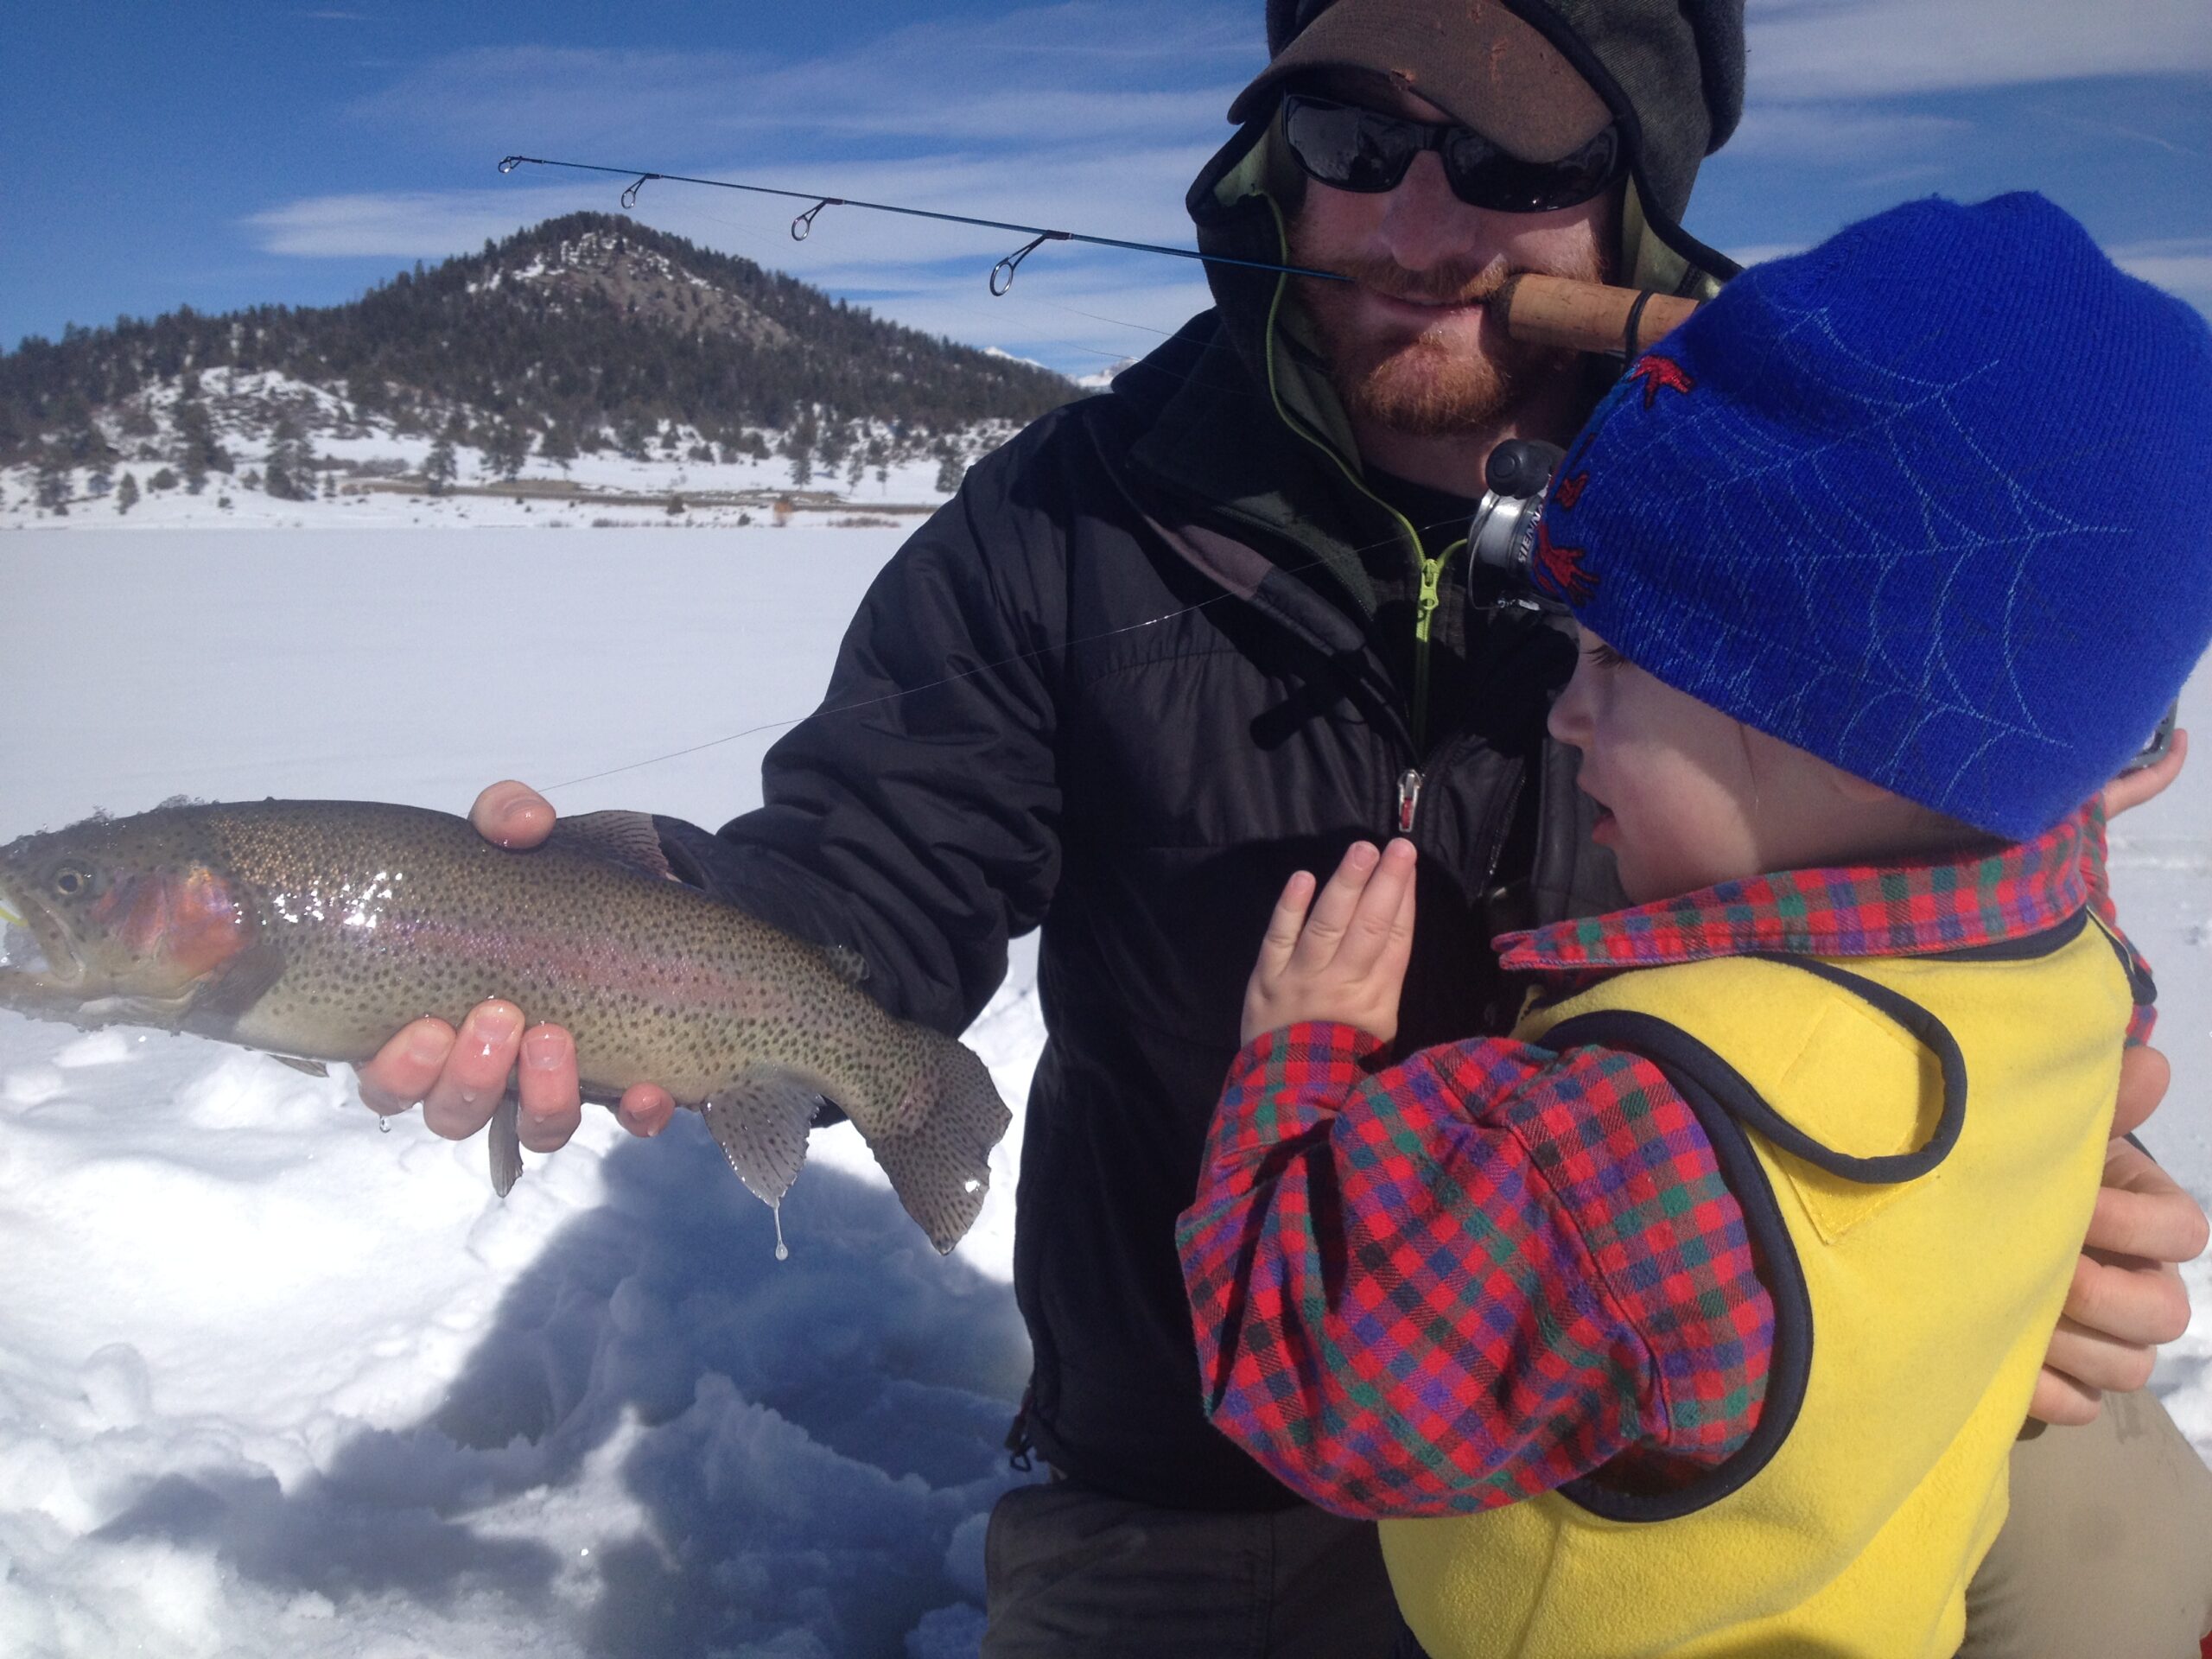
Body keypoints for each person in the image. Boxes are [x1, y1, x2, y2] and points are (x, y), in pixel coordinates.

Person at [355, 3, 2212, 1653]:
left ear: (1631, 187)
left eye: (1506, 155)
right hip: (1217, 1443)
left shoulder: (1836, 556)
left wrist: (2040, 1205)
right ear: (1269, 167)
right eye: (1349, 139)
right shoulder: (1066, 524)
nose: (1412, 225)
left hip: (1750, 1409)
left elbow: (2002, 961)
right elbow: (870, 869)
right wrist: (632, 932)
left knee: (2133, 1576)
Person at [1178, 191, 2212, 1657]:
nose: (1568, 711)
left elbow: (1311, 1367)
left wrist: (1301, 1066)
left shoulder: (1626, 1147)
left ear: (1832, 725)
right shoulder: (2072, 948)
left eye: (1613, 658)